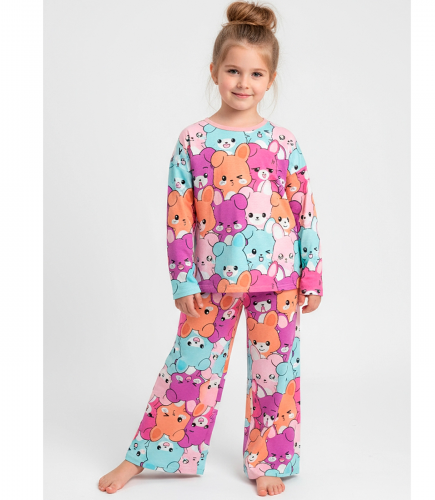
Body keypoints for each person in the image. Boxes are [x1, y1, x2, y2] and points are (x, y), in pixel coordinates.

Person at [98, 0, 323, 496]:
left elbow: (304, 210)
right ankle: (145, 455)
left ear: (271, 79)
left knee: (276, 376)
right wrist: (182, 280)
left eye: (256, 73)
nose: (244, 82)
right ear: (214, 71)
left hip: (280, 281)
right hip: (210, 281)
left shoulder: (284, 143)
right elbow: (178, 215)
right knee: (189, 366)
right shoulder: (194, 141)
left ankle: (269, 461)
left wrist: (312, 275)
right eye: (233, 71)